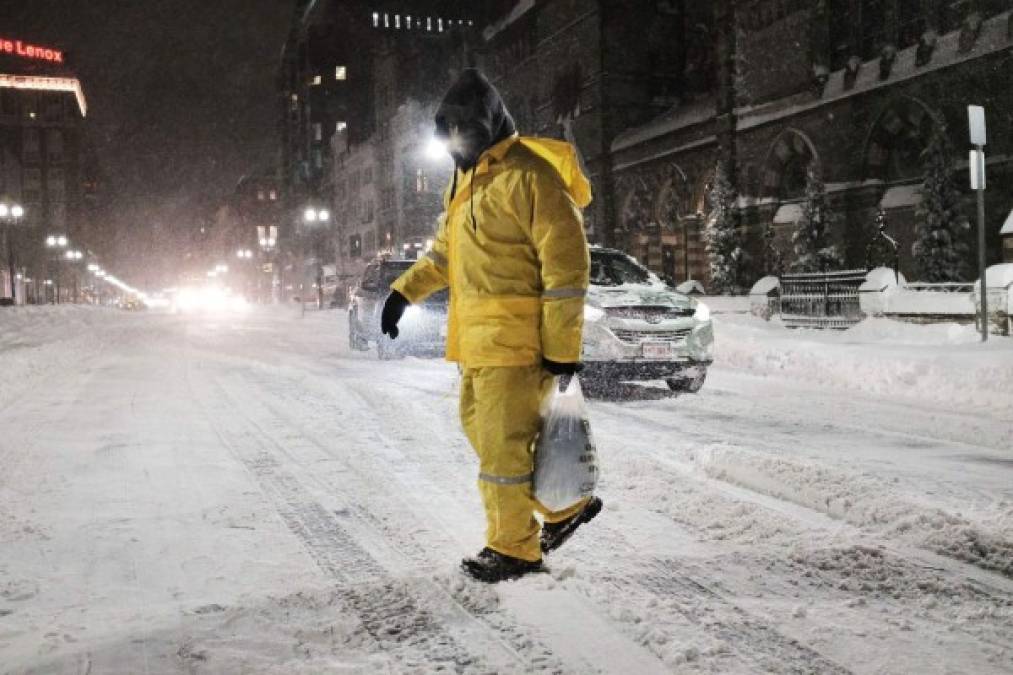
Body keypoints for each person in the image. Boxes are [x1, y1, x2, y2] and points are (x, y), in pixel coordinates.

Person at [381, 69, 602, 583]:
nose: (457, 146)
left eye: (465, 133)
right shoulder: (466, 180)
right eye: (449, 136)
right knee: (484, 436)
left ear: (489, 126)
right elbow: (443, 255)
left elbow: (568, 269)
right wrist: (402, 292)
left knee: (503, 451)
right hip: (476, 342)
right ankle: (565, 507)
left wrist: (563, 348)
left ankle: (514, 548)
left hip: (517, 346)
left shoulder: (532, 176)